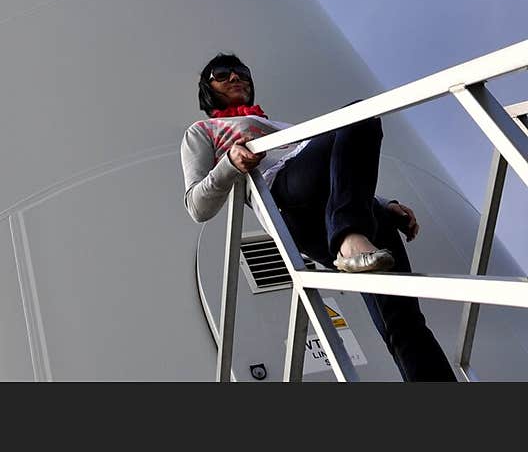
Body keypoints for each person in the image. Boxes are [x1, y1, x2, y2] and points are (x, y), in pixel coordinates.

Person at [181, 52, 456, 382]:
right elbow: (197, 206)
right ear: (207, 87)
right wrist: (229, 163)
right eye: (222, 73)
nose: (235, 77)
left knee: (404, 322)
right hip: (289, 201)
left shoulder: (285, 128)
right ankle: (348, 236)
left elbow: (339, 170)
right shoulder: (203, 130)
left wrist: (384, 205)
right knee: (356, 112)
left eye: (241, 71)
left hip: (348, 211)